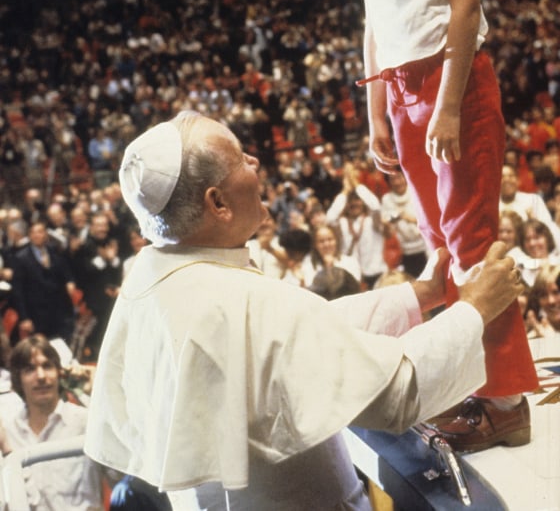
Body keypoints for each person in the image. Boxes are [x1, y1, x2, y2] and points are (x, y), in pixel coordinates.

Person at [84, 111, 526, 509]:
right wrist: (474, 310)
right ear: (217, 203)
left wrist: (418, 295)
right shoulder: (242, 300)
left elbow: (303, 337)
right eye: (240, 159)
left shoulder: (153, 278)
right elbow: (396, 394)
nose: (256, 163)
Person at [311, 0, 537, 448]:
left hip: (454, 81)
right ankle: (466, 384)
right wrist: (378, 109)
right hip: (404, 89)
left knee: (469, 240)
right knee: (439, 244)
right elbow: (375, 23)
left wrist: (444, 107)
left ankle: (507, 401)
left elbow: (465, 10)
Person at [0, 334, 106, 510]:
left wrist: (100, 397)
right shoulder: (8, 432)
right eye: (29, 369)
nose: (41, 376)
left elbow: (120, 474)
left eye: (47, 366)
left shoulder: (86, 421)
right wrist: (7, 450)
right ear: (18, 380)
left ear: (60, 373)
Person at [10, 221, 76, 343]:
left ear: (45, 234)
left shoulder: (54, 251)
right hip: (36, 314)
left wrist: (69, 281)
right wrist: (24, 318)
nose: (37, 235)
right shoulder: (21, 258)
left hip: (58, 310)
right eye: (33, 232)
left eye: (40, 232)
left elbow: (65, 271)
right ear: (29, 235)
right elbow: (18, 291)